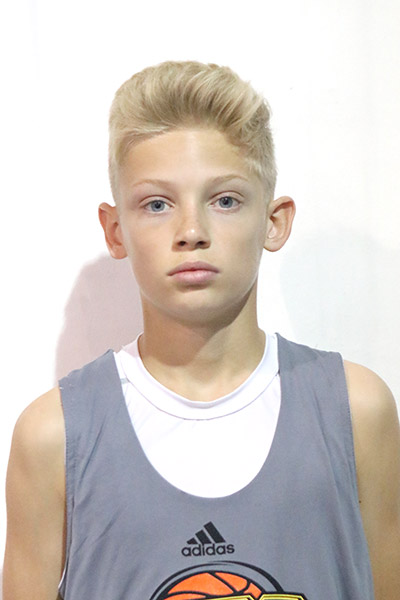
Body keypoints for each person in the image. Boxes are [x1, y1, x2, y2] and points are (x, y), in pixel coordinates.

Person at [3, 61, 400, 600]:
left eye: (225, 200)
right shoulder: (53, 436)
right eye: (157, 204)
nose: (191, 231)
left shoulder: (356, 411)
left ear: (274, 221)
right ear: (115, 230)